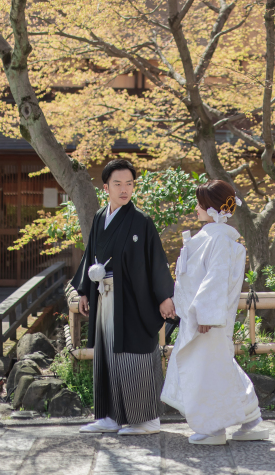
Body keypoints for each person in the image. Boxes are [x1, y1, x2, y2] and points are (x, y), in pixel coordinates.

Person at [72, 159, 177, 435]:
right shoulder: (98, 217)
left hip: (132, 300)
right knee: (106, 353)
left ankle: (147, 419)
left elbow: (155, 260)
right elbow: (89, 255)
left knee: (134, 353)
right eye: (117, 184)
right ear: (106, 187)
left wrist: (165, 295)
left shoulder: (140, 220)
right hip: (104, 296)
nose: (124, 189)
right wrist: (83, 289)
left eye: (129, 183)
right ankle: (109, 415)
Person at [161, 180, 267, 445]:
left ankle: (215, 429)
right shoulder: (215, 236)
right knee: (214, 368)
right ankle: (250, 419)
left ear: (212, 207)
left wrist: (206, 315)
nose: (196, 208)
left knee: (208, 370)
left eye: (200, 203)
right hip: (201, 318)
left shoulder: (217, 238)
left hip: (207, 320)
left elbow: (215, 279)